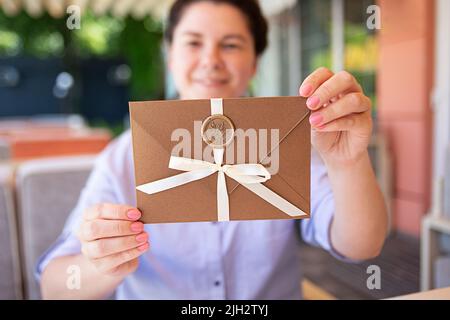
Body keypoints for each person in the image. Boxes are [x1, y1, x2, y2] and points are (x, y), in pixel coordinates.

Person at [38, 0, 387, 299]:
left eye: (231, 44)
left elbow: (361, 245)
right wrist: (103, 262)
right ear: (170, 57)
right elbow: (54, 286)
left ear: (254, 63)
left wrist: (347, 162)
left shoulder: (289, 141)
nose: (211, 59)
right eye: (193, 43)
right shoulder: (121, 158)